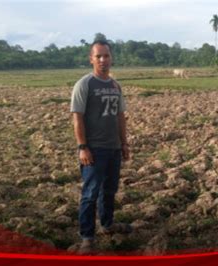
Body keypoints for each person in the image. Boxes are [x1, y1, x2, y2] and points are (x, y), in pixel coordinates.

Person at [70, 40, 131, 254]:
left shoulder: (115, 85)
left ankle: (107, 224)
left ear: (111, 58)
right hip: (94, 150)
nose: (103, 60)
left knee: (109, 191)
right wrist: (82, 147)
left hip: (113, 148)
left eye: (106, 56)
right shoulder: (85, 85)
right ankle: (87, 237)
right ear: (91, 59)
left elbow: (120, 116)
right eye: (99, 57)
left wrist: (123, 143)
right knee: (90, 194)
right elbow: (77, 118)